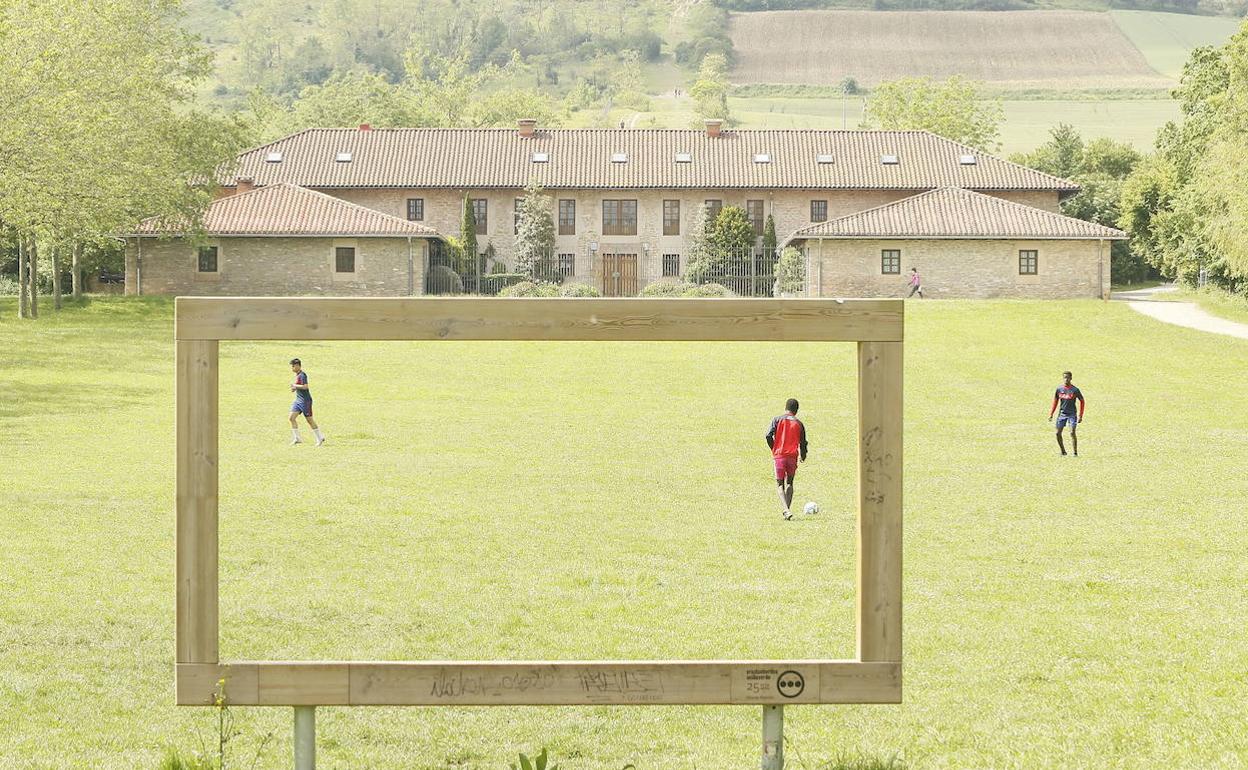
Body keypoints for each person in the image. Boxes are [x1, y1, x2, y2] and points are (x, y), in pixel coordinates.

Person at [765, 398, 809, 520]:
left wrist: (774, 448)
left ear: (786, 408)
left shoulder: (777, 420)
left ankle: (786, 509)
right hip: (792, 457)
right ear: (796, 410)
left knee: (780, 484)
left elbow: (768, 435)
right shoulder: (799, 424)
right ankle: (787, 511)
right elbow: (803, 443)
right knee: (789, 482)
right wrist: (803, 455)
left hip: (779, 455)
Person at [289, 358, 325, 446]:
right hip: (298, 401)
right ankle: (297, 438)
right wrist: (295, 388)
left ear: (297, 366)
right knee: (291, 418)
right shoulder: (297, 375)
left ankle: (320, 437)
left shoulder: (302, 375)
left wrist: (295, 385)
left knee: (309, 420)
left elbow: (305, 387)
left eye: (293, 366)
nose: (292, 368)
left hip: (305, 401)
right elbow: (300, 387)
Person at [1048, 370, 1084, 456]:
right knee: (1057, 433)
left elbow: (1082, 401)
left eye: (1068, 378)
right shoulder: (1059, 389)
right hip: (1062, 414)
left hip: (1072, 414)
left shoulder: (1075, 390)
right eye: (1064, 378)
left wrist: (1080, 415)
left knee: (1072, 432)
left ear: (1071, 378)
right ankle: (1063, 451)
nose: (1066, 379)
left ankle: (1075, 453)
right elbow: (1055, 401)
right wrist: (1051, 413)